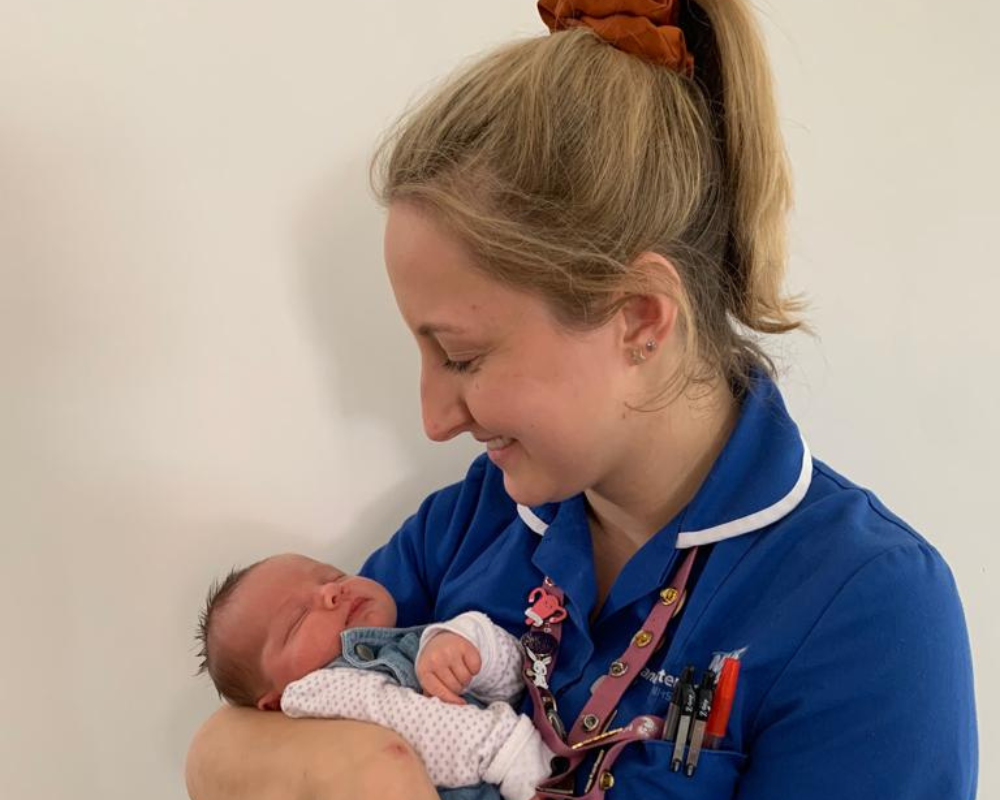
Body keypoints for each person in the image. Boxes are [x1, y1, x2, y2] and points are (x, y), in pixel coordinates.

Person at [186, 1, 979, 798]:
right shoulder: (467, 525)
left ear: (638, 317)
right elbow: (240, 730)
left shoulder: (869, 612)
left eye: (461, 356)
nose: (434, 418)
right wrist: (368, 769)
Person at [194, 553, 554, 800]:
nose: (331, 592)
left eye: (332, 575)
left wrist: (471, 643)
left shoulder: (406, 644)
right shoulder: (320, 691)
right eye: (298, 619)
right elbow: (413, 723)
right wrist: (510, 752)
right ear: (274, 702)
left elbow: (518, 683)